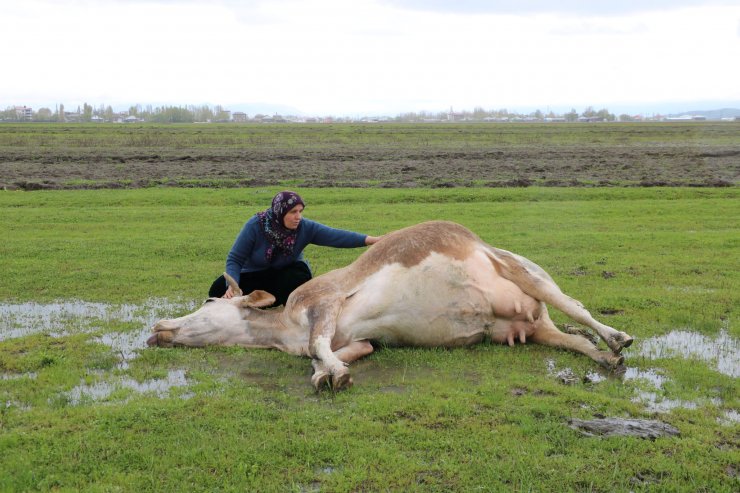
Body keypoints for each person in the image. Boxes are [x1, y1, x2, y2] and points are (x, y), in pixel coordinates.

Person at [208, 191, 382, 306]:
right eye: (293, 212)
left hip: (286, 274)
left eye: (300, 211)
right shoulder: (255, 225)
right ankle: (263, 300)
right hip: (256, 273)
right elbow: (235, 259)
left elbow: (335, 236)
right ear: (280, 212)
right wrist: (232, 285)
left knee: (296, 278)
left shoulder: (305, 227)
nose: (298, 217)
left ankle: (275, 304)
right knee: (217, 290)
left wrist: (370, 240)